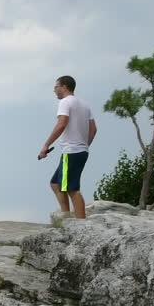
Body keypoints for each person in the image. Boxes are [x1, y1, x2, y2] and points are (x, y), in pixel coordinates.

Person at [38, 75, 97, 219]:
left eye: (56, 87)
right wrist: (84, 145)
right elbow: (94, 129)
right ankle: (66, 216)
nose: (54, 90)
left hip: (72, 151)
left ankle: (81, 224)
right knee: (56, 183)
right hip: (79, 151)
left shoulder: (65, 102)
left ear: (64, 86)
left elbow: (62, 123)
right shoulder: (84, 104)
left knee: (72, 189)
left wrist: (46, 145)